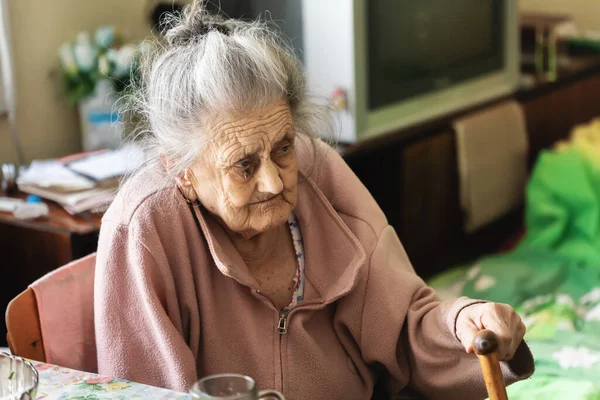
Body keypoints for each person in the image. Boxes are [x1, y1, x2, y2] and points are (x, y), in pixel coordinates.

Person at [94, 2, 534, 399]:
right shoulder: (145, 226)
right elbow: (142, 394)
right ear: (182, 171)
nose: (273, 182)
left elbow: (403, 329)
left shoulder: (317, 169)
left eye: (283, 147)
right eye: (244, 165)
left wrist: (463, 320)